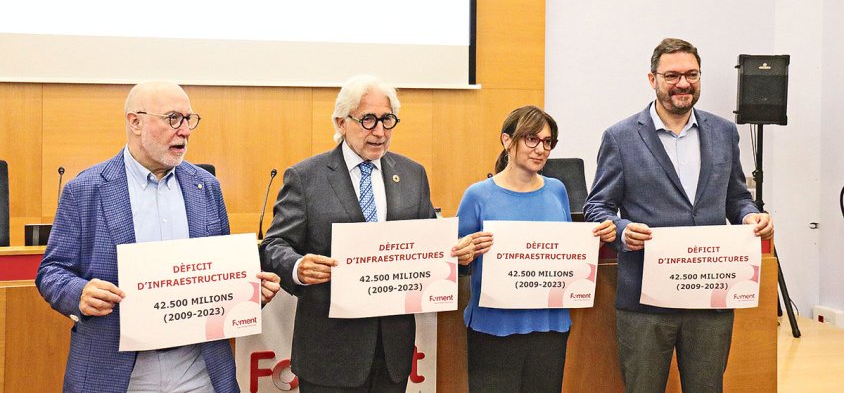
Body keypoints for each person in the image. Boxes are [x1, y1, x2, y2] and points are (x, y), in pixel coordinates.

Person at [36, 81, 282, 393]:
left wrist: (249, 292)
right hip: (118, 372)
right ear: (135, 122)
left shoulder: (206, 187)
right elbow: (51, 272)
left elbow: (219, 274)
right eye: (173, 119)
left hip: (198, 370)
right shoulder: (85, 189)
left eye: (189, 119)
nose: (185, 131)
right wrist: (79, 293)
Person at [259, 74, 475, 392]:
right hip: (329, 353)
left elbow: (430, 245)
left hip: (393, 353)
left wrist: (458, 255)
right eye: (368, 120)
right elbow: (274, 244)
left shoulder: (412, 175)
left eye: (387, 119)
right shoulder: (306, 177)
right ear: (341, 122)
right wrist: (298, 267)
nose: (380, 131)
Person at [584, 38, 775, 393]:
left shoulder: (724, 133)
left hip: (710, 295)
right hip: (645, 301)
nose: (683, 83)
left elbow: (736, 197)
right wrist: (622, 230)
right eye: (672, 75)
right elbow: (597, 208)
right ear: (652, 79)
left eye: (691, 74)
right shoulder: (620, 137)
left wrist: (751, 215)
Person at [456, 105, 616, 393]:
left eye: (547, 142)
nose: (541, 149)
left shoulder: (557, 190)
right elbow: (457, 261)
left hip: (550, 327)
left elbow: (564, 253)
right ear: (507, 140)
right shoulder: (477, 195)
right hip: (493, 329)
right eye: (532, 139)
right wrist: (463, 254)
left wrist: (595, 241)